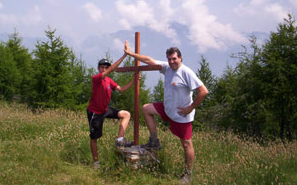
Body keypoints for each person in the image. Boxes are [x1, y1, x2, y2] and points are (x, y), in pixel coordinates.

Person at [124, 42, 208, 183]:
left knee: (186, 144)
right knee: (146, 108)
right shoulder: (167, 68)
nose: (171, 62)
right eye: (169, 59)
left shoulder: (186, 72)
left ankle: (188, 173)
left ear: (180, 58)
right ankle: (154, 141)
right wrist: (131, 54)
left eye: (174, 59)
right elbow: (149, 60)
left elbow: (203, 91)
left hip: (181, 115)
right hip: (167, 109)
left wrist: (190, 108)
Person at [87, 43, 136, 169]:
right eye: (102, 67)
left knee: (126, 114)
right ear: (98, 68)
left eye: (106, 67)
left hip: (104, 110)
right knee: (94, 138)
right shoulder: (96, 78)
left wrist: (134, 81)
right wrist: (125, 55)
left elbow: (121, 89)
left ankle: (119, 141)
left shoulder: (109, 81)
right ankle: (96, 163)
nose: (104, 69)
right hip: (95, 113)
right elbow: (112, 69)